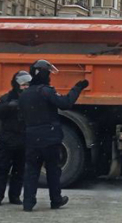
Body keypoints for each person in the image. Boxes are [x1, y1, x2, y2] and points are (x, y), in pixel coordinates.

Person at [18, 60, 89, 212]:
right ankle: (56, 200)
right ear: (43, 74)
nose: (49, 76)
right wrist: (77, 88)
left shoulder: (25, 94)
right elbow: (65, 103)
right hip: (49, 138)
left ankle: (28, 202)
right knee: (53, 170)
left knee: (31, 171)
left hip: (32, 138)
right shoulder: (46, 91)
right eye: (48, 73)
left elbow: (21, 117)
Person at [0, 70, 30, 206]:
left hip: (24, 138)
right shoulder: (7, 97)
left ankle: (15, 196)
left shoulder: (30, 99)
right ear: (16, 84)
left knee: (19, 170)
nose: (25, 87)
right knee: (3, 168)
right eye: (23, 84)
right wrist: (8, 106)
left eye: (27, 85)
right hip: (8, 138)